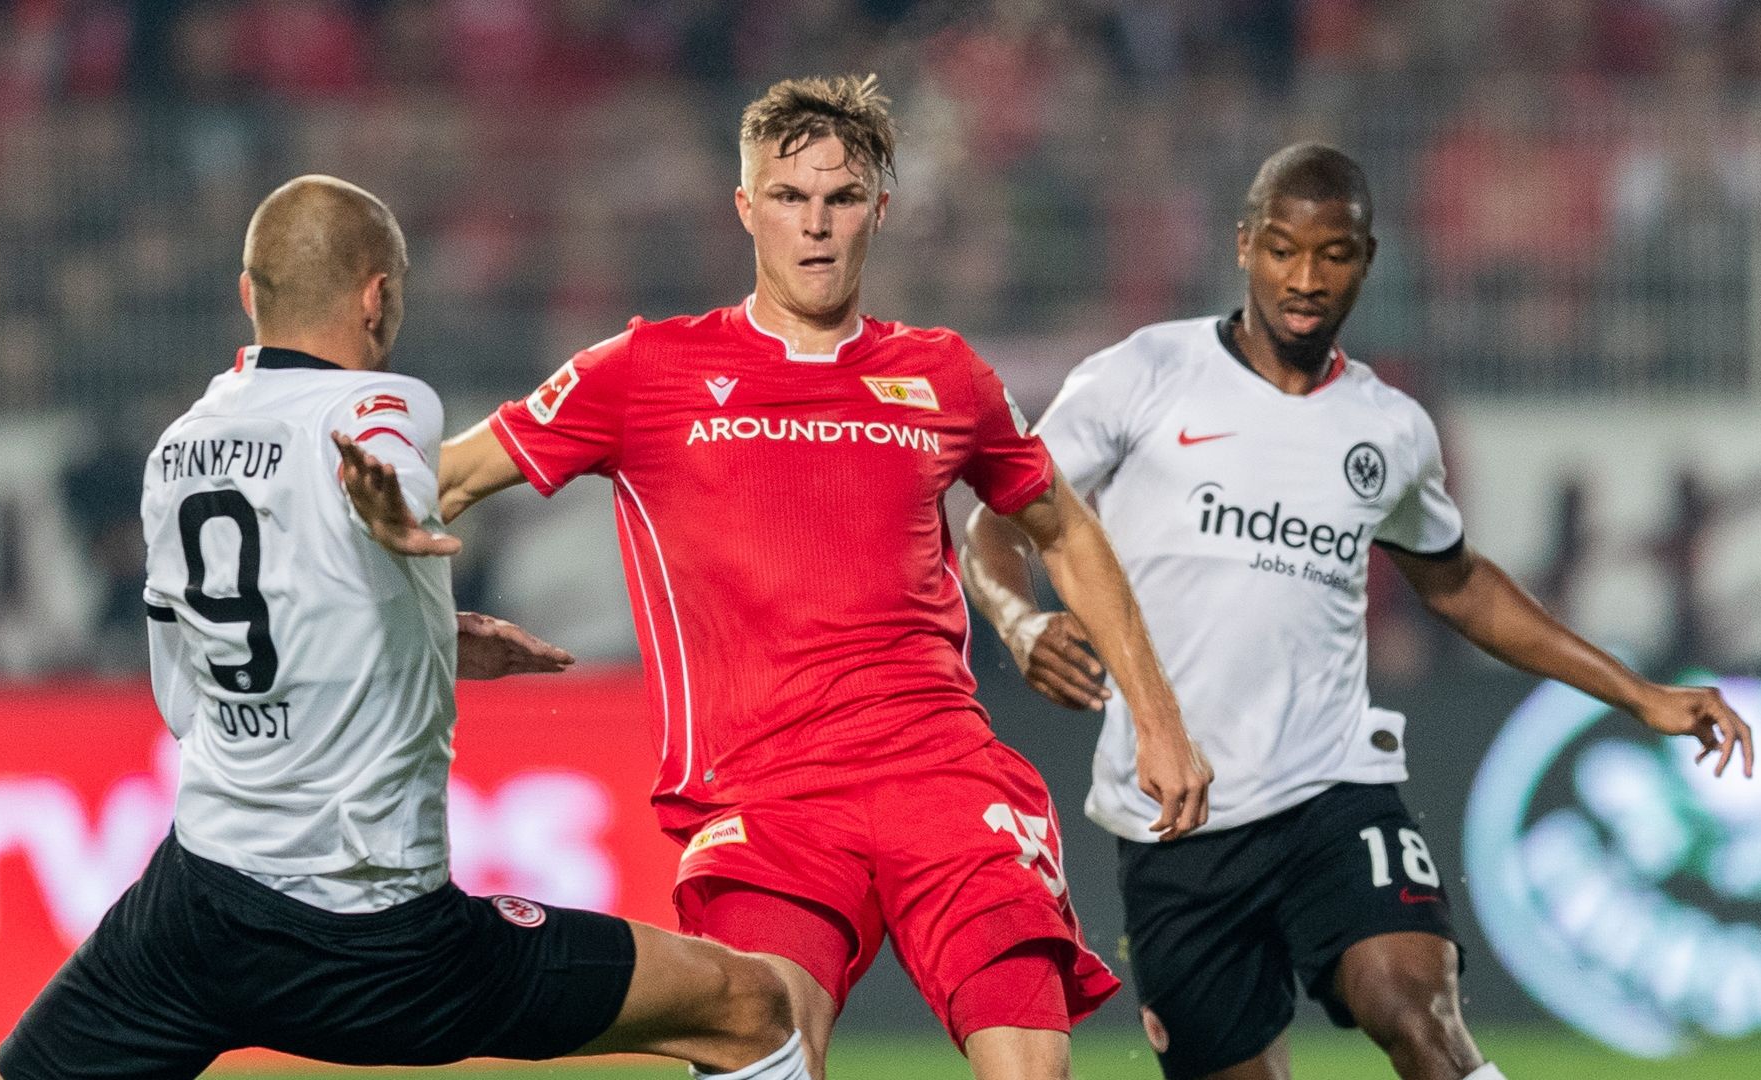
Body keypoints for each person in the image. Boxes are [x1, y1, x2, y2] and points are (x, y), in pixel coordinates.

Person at [338, 76, 1212, 1080]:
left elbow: (1063, 527)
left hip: (942, 776)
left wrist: (1159, 718)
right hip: (765, 798)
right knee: (768, 1053)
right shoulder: (645, 369)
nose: (817, 225)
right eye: (791, 198)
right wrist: (371, 542)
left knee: (1034, 1073)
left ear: (880, 210)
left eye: (842, 199)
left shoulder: (943, 373)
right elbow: (444, 480)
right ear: (747, 207)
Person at [0, 175, 811, 1080]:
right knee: (748, 1006)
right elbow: (388, 470)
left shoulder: (178, 447)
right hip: (378, 946)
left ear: (249, 295)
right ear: (377, 297)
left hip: (195, 915)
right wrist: (392, 519)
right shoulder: (383, 404)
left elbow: (189, 694)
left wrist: (422, 637)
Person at [960, 143, 1757, 1080]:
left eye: (1333, 254)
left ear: (1366, 260)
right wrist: (1020, 622)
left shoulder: (1390, 427)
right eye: (1283, 251)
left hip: (1333, 790)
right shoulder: (1142, 375)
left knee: (1417, 1012)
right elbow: (996, 522)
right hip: (1173, 819)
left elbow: (1457, 582)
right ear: (1244, 245)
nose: (1306, 279)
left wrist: (1639, 693)